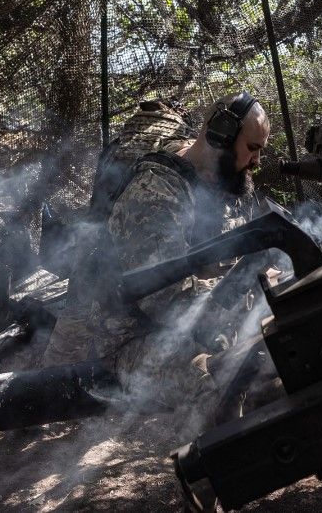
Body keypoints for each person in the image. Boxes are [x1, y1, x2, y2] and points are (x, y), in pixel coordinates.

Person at [41, 92, 271, 422]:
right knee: (216, 386)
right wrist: (228, 305)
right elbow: (164, 299)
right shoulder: (156, 194)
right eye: (253, 148)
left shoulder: (214, 177)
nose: (257, 161)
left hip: (171, 319)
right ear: (221, 135)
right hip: (124, 333)